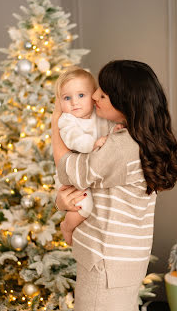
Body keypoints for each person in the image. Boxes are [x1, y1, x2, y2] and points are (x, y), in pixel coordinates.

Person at [51, 60, 177, 311]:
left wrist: (56, 119)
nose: (94, 96)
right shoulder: (140, 136)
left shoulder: (123, 145)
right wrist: (63, 201)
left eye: (103, 93)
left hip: (105, 262)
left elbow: (71, 172)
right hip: (124, 260)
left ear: (124, 101)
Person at [53, 66, 121, 245]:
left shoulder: (99, 116)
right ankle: (67, 227)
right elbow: (73, 139)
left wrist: (115, 130)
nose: (74, 102)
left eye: (81, 95)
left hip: (90, 172)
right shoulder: (67, 120)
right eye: (67, 98)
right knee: (85, 205)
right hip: (71, 177)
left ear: (93, 96)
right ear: (60, 102)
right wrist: (93, 144)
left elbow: (109, 131)